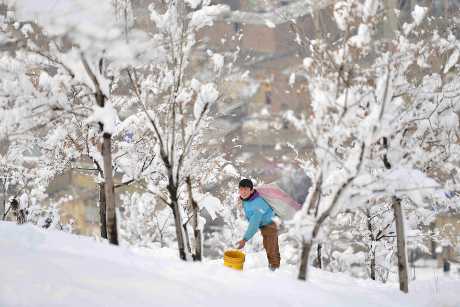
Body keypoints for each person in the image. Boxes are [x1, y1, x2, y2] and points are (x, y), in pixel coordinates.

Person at [236, 178, 281, 270]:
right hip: (264, 223)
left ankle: (274, 269)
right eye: (241, 189)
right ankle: (275, 266)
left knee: (270, 247)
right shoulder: (247, 199)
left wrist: (244, 240)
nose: (243, 192)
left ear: (251, 190)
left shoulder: (257, 204)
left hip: (270, 224)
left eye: (246, 190)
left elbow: (254, 224)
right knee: (271, 245)